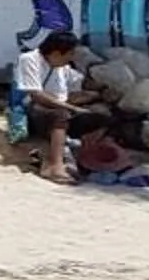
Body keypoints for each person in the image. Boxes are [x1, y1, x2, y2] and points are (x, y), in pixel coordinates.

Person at [12, 30, 109, 183]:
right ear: (56, 53)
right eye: (69, 54)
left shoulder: (63, 67)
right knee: (60, 114)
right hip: (35, 110)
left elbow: (79, 82)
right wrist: (73, 109)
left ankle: (84, 160)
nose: (71, 58)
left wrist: (102, 89)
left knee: (102, 116)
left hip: (61, 107)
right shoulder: (29, 60)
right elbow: (37, 95)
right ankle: (54, 166)